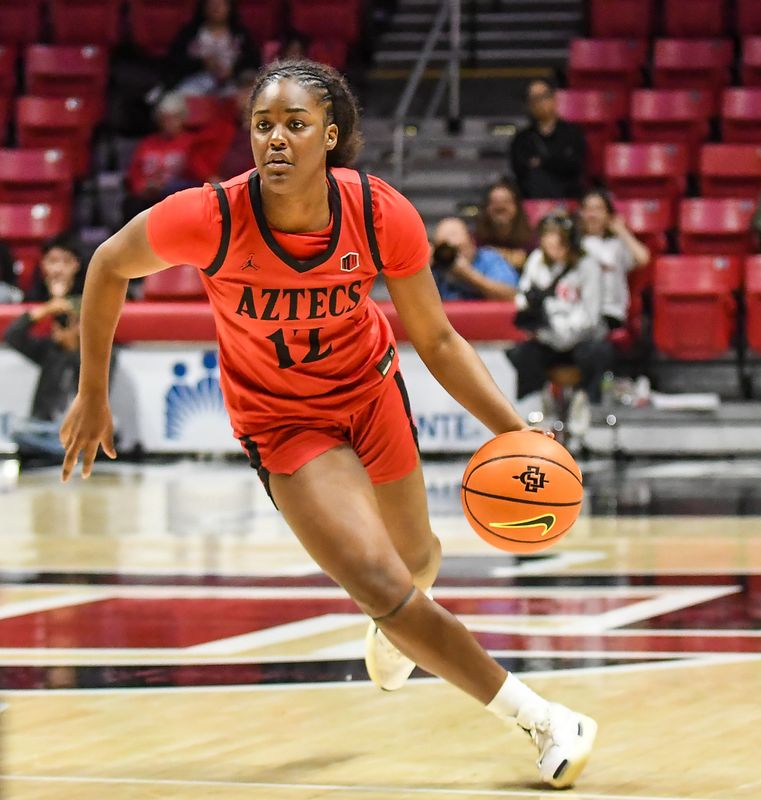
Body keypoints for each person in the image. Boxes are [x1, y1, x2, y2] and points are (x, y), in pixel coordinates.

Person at [59, 58, 596, 788]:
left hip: (371, 391)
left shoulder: (379, 212)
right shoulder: (211, 215)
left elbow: (436, 340)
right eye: (263, 125)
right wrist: (93, 393)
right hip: (284, 426)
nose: (275, 140)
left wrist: (519, 433)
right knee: (379, 580)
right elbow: (107, 265)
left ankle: (400, 620)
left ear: (330, 135)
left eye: (295, 124)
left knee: (417, 564)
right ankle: (543, 719)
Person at [507, 215, 610, 438]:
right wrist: (535, 316)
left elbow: (590, 316)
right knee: (522, 354)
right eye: (549, 243)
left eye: (560, 244)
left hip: (579, 339)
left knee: (596, 352)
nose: (554, 250)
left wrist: (559, 327)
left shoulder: (587, 266)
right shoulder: (536, 260)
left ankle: (584, 401)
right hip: (546, 338)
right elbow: (522, 297)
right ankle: (542, 406)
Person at [4, 296, 83, 459]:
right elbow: (13, 336)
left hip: (76, 427)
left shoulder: (98, 357)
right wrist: (45, 310)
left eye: (63, 322)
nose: (55, 327)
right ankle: (63, 450)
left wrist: (74, 343)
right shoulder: (50, 351)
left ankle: (63, 449)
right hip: (42, 427)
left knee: (108, 429)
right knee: (9, 424)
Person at [123, 93, 204, 222]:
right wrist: (142, 187)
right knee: (132, 204)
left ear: (183, 118)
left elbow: (198, 175)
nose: (168, 123)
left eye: (174, 118)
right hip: (147, 196)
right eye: (164, 118)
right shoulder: (147, 143)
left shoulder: (193, 143)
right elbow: (134, 173)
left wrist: (166, 187)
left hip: (177, 196)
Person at [578, 189, 650, 330]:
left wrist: (622, 231)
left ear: (608, 215)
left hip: (609, 312)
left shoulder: (616, 245)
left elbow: (643, 258)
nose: (592, 215)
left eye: (598, 209)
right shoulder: (574, 244)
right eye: (588, 209)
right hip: (578, 311)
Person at [509, 80, 588, 200]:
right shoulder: (522, 139)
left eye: (543, 97)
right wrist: (556, 161)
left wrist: (542, 162)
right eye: (534, 99)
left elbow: (575, 164)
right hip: (534, 199)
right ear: (529, 105)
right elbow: (520, 170)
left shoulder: (572, 133)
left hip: (568, 197)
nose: (539, 103)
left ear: (553, 99)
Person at [165, 0, 259, 98]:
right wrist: (202, 63)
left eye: (221, 5)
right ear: (204, 7)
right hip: (194, 83)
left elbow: (253, 63)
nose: (216, 9)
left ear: (230, 7)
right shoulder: (190, 33)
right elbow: (174, 63)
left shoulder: (240, 34)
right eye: (211, 5)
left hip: (234, 84)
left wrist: (234, 70)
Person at [430, 217, 519, 301]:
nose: (451, 256)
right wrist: (424, 266)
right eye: (445, 251)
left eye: (458, 250)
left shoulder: (489, 259)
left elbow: (511, 295)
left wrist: (469, 275)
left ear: (471, 242)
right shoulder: (435, 267)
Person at [474, 179, 534, 271]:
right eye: (494, 202)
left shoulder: (531, 241)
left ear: (517, 207)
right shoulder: (475, 241)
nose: (500, 207)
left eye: (506, 202)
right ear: (486, 208)